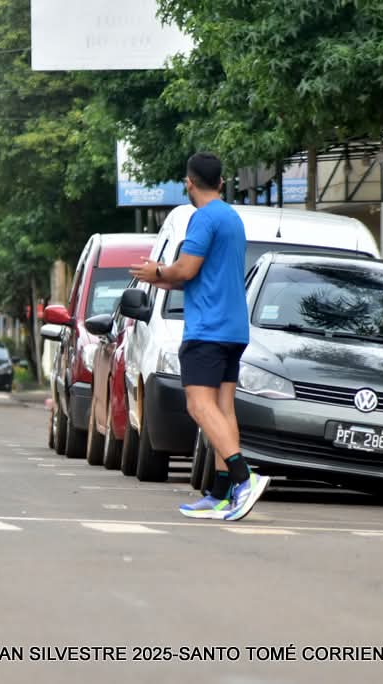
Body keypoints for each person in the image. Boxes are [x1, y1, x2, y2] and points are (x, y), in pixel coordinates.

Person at [130, 152, 270, 521]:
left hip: (207, 328)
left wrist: (155, 271)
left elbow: (185, 270)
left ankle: (243, 478)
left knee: (198, 405)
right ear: (221, 183)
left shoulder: (202, 219)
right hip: (234, 328)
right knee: (223, 408)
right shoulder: (232, 217)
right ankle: (222, 494)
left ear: (189, 183)